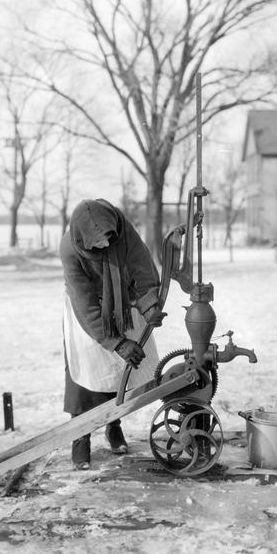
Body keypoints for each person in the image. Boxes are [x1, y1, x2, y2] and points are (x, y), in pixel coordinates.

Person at [60, 198, 165, 470]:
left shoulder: (121, 227)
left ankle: (113, 425)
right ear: (84, 240)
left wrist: (149, 305)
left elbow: (141, 266)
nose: (106, 246)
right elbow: (84, 304)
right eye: (99, 243)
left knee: (119, 376)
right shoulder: (70, 249)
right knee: (86, 377)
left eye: (109, 239)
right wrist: (117, 342)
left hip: (122, 302)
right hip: (89, 314)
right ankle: (80, 437)